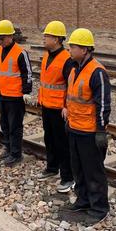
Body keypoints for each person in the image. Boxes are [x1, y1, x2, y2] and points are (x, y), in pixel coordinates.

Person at [61, 28, 111, 225]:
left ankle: (99, 207)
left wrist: (100, 131)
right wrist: (68, 118)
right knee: (78, 169)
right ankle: (83, 200)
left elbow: (103, 105)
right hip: (75, 128)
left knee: (93, 172)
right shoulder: (74, 68)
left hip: (89, 132)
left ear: (85, 49)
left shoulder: (97, 72)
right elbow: (72, 97)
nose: (70, 49)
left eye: (73, 46)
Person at [37, 21, 75, 193]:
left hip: (60, 109)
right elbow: (46, 82)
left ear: (58, 39)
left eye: (48, 36)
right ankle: (52, 168)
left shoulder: (67, 60)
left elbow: (71, 86)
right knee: (49, 139)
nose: (44, 38)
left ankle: (68, 177)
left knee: (62, 144)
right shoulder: (47, 55)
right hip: (47, 105)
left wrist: (67, 107)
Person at [0, 19, 32, 167]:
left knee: (15, 126)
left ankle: (16, 153)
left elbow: (27, 74)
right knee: (5, 124)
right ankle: (8, 148)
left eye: (2, 37)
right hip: (1, 94)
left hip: (15, 97)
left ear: (11, 36)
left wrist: (26, 92)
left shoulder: (20, 53)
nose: (0, 40)